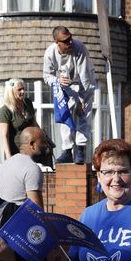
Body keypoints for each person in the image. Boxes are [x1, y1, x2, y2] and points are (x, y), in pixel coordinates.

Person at [43, 26, 96, 165]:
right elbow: (47, 76)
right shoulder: (50, 53)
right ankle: (67, 150)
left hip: (84, 85)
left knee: (83, 116)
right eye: (66, 41)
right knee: (65, 115)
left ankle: (80, 150)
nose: (70, 43)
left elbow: (85, 78)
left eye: (70, 38)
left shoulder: (79, 48)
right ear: (57, 42)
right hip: (64, 86)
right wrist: (57, 80)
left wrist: (82, 101)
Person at [0, 126, 49, 209]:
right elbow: (36, 210)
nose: (46, 146)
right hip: (21, 219)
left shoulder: (5, 164)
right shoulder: (32, 168)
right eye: (43, 142)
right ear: (32, 144)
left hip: (4, 219)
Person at [0, 79, 38, 161]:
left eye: (23, 89)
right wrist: (9, 157)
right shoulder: (5, 110)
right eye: (19, 90)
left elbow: (35, 124)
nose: (23, 92)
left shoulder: (28, 103)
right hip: (16, 152)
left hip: (31, 150)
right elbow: (5, 136)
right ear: (11, 91)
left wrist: (43, 138)